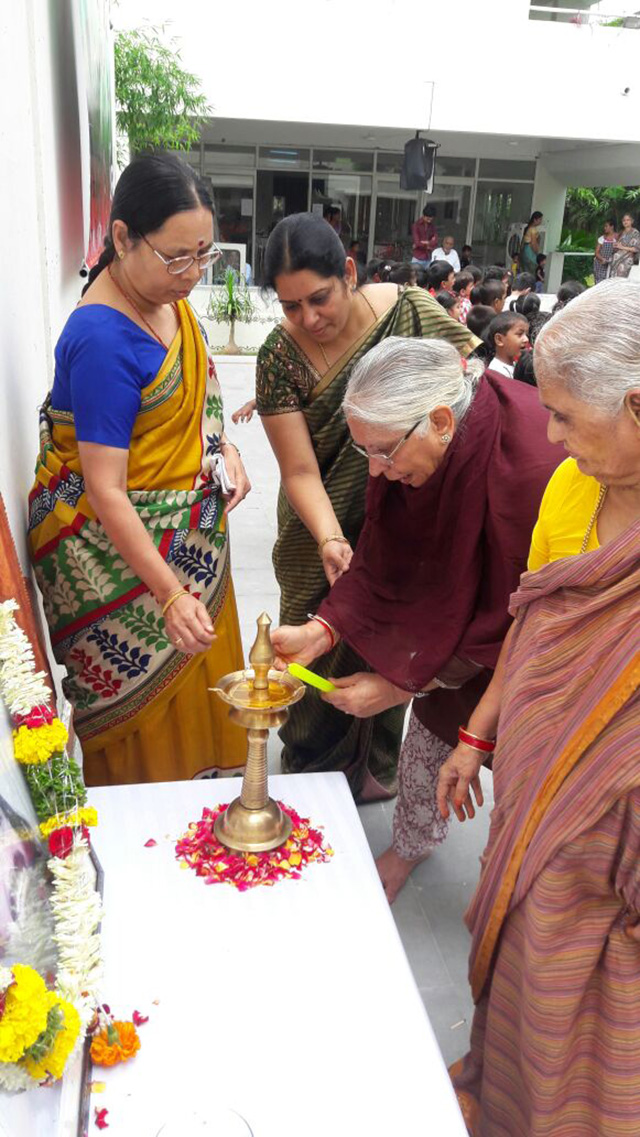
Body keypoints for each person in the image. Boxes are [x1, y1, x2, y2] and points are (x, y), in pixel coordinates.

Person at [439, 279, 640, 1136]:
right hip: (533, 814)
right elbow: (535, 621)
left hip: (610, 881)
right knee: (515, 992)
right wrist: (477, 735)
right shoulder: (574, 487)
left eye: (562, 414)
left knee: (585, 1046)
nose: (550, 435)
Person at [270, 337, 560, 901]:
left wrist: (404, 683)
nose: (375, 472)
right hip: (450, 633)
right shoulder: (405, 458)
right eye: (365, 454)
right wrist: (320, 630)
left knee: (528, 776)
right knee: (430, 743)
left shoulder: (529, 464)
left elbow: (515, 615)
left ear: (442, 420)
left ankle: (518, 881)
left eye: (383, 452)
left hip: (527, 643)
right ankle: (409, 845)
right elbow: (380, 559)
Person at [28, 153, 251, 786]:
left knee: (207, 698)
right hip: (125, 568)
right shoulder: (102, 338)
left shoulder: (167, 300)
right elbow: (104, 490)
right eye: (177, 256)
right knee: (147, 730)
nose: (192, 274)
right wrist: (171, 593)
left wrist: (223, 451)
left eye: (204, 255)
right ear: (121, 237)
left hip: (192, 549)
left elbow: (198, 393)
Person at [255, 213, 478, 800]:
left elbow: (478, 391)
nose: (308, 319)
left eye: (319, 298)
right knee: (313, 647)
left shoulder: (410, 314)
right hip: (315, 529)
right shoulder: (279, 356)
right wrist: (332, 539)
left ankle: (377, 766)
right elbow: (300, 468)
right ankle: (312, 770)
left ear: (349, 273)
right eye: (290, 306)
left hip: (408, 516)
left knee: (396, 632)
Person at [485, 311, 530, 378]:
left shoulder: (516, 365)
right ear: (499, 339)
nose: (526, 339)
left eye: (526, 334)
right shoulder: (496, 373)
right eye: (520, 334)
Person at [610, 212, 640, 278]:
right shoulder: (621, 232)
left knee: (621, 280)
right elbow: (618, 246)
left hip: (627, 259)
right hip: (616, 260)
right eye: (624, 220)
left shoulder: (635, 233)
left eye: (628, 220)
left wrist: (622, 247)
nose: (625, 222)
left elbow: (636, 249)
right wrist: (615, 246)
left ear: (632, 221)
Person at [593, 218, 617, 283]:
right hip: (600, 264)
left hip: (612, 264)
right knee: (600, 282)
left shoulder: (618, 238)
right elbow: (596, 252)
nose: (604, 228)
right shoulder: (602, 238)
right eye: (604, 226)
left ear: (612, 227)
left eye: (606, 226)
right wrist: (602, 259)